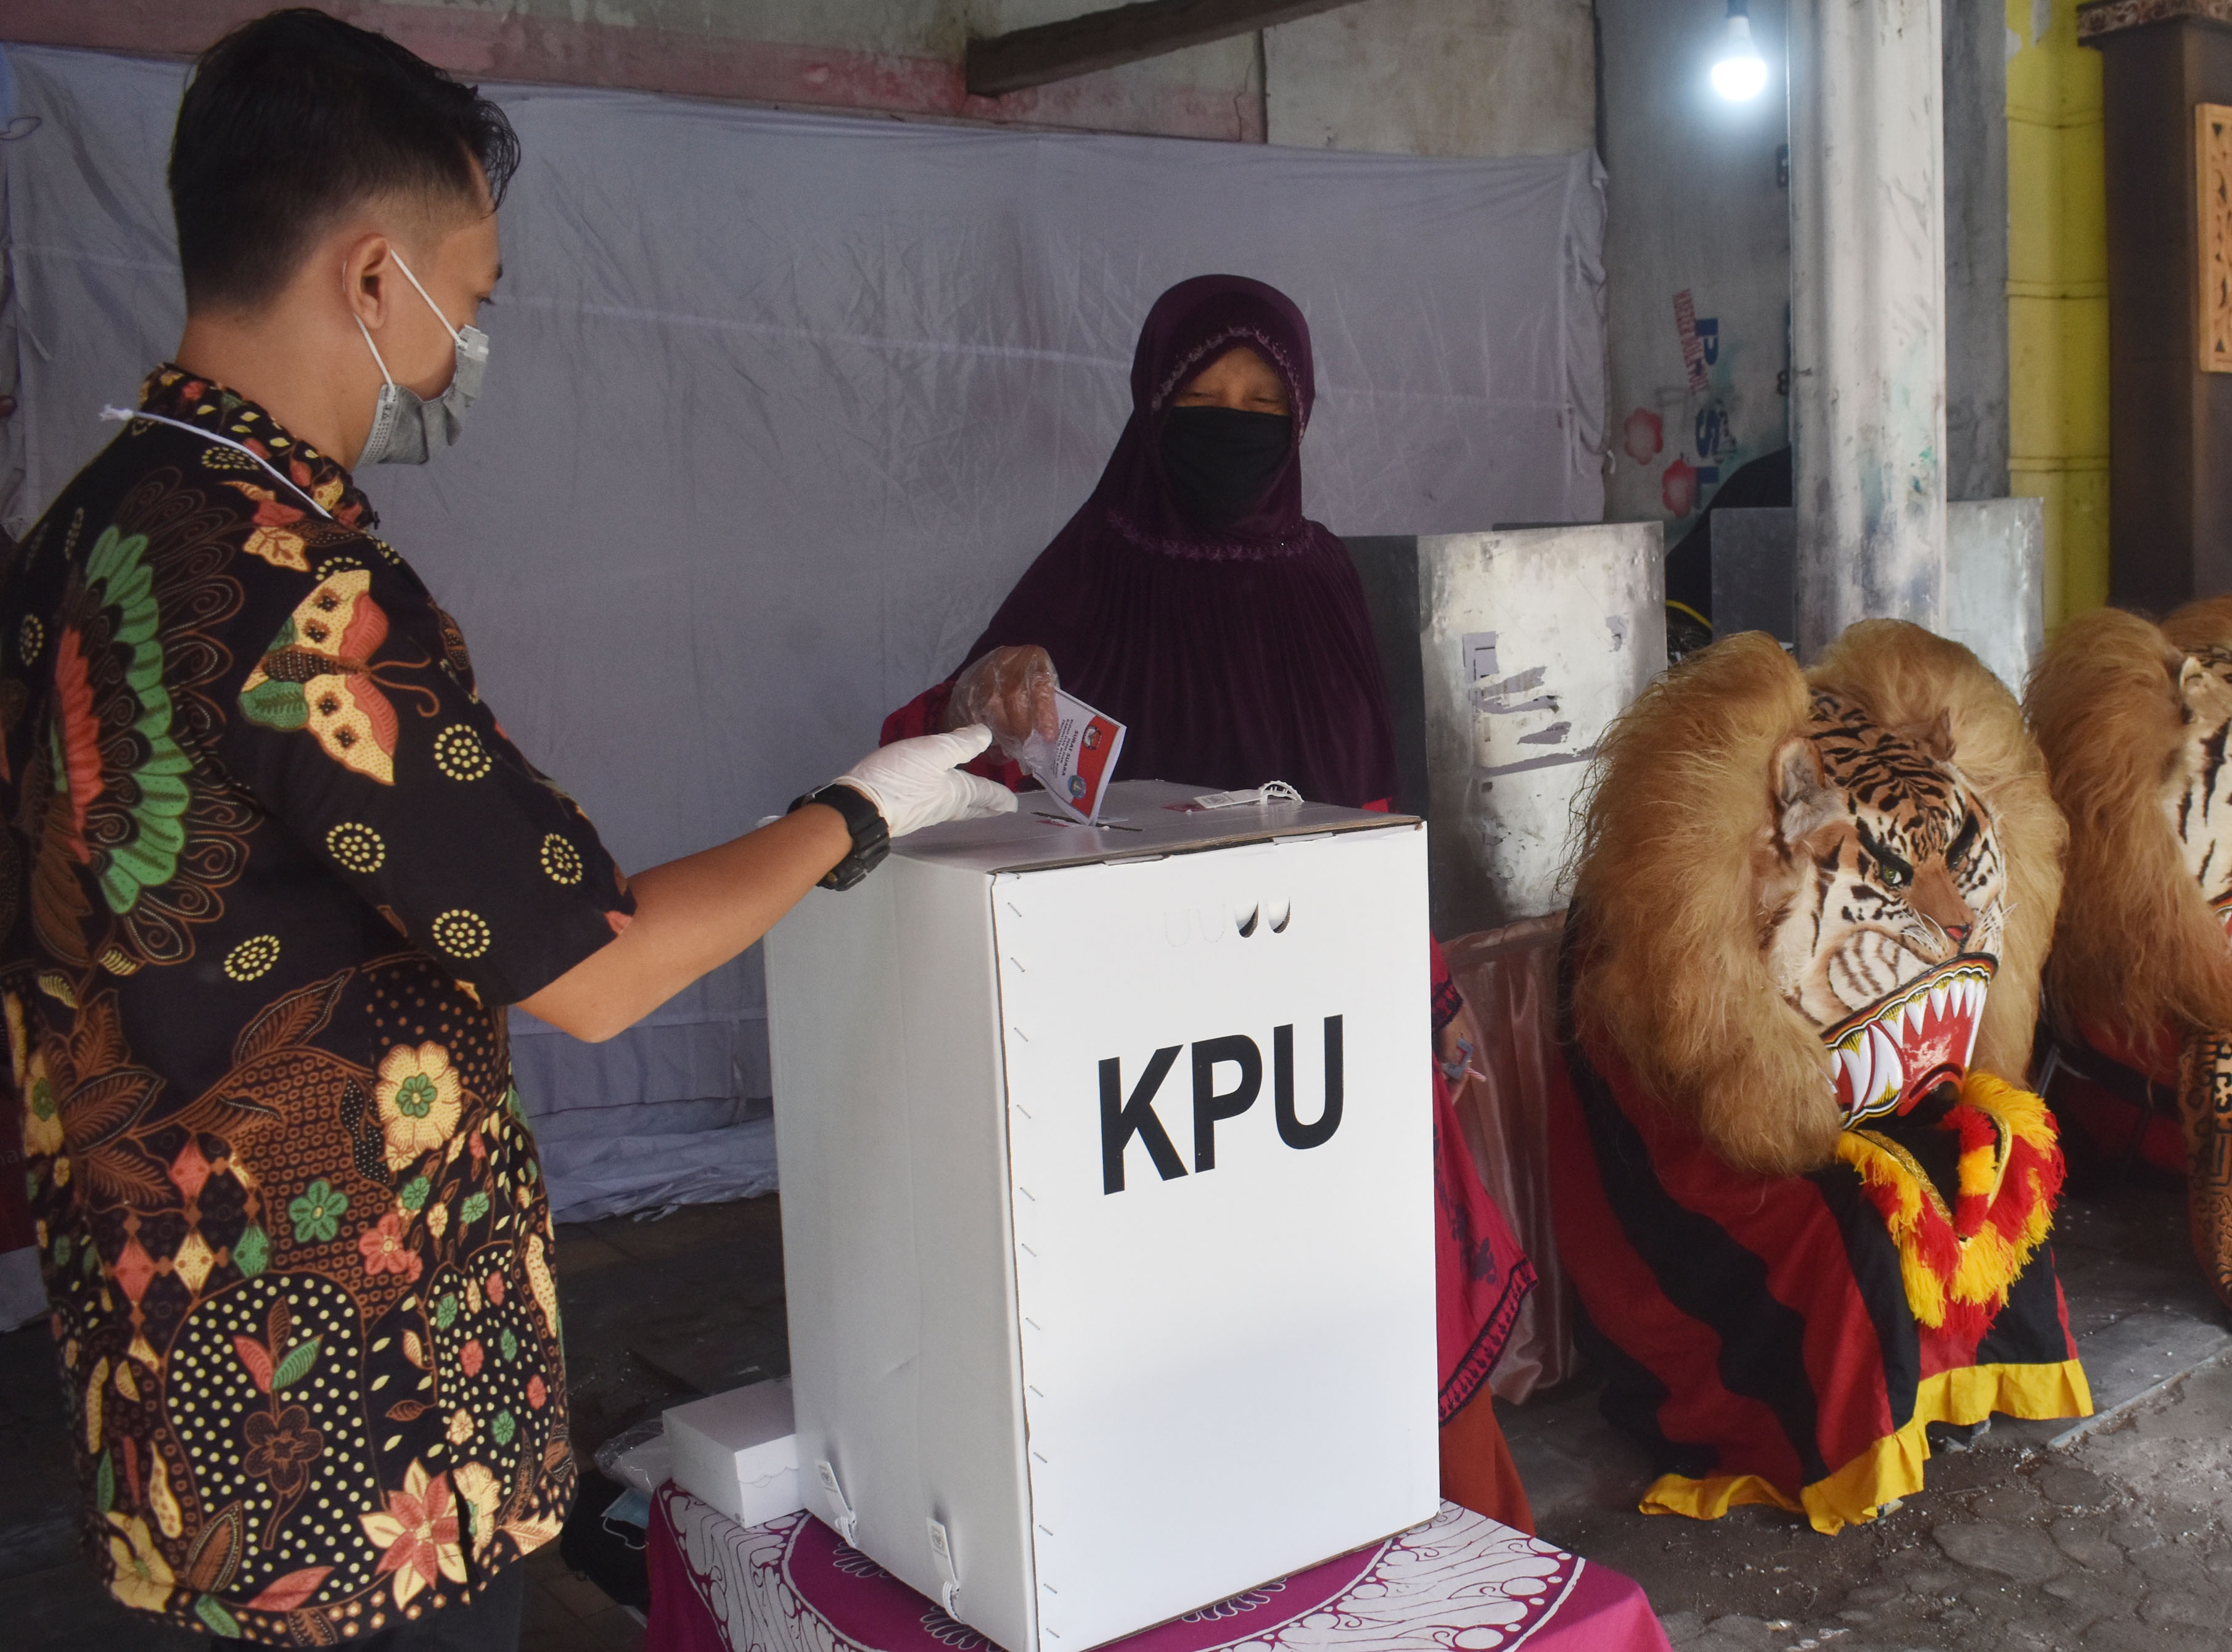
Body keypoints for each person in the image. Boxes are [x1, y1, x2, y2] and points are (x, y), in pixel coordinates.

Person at [2, 14, 1011, 1648]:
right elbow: (589, 968)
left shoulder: (72, 542)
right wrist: (852, 814)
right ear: (370, 274)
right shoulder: (290, 590)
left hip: (160, 1409)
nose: (468, 344)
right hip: (348, 1451)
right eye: (468, 304)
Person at [882, 275, 1540, 1531]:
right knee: (1191, 1322)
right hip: (1144, 1025)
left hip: (1324, 1006)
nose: (1233, 422)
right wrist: (991, 686)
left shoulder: (1323, 578)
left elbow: (1371, 800)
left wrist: (1423, 979)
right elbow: (950, 756)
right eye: (1203, 396)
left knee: (1367, 1298)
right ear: (1148, 406)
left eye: (1263, 401)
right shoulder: (1089, 572)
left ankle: (1415, 1560)